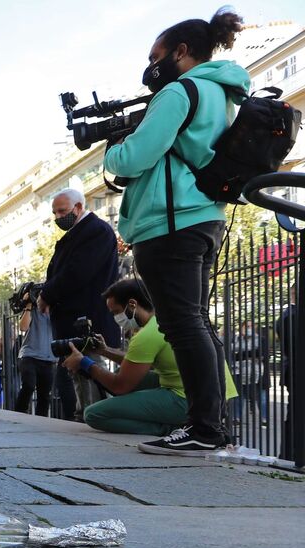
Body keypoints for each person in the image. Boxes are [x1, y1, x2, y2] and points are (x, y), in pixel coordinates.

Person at [103, 9, 249, 456]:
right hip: (202, 217)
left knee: (182, 324)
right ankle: (212, 425)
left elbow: (135, 159)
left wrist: (113, 152)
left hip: (170, 222)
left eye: (156, 56)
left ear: (181, 52)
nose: (152, 66)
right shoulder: (221, 93)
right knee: (195, 322)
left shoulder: (179, 91)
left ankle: (203, 428)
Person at [63, 279, 236, 436]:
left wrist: (84, 363)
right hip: (214, 395)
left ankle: (171, 428)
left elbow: (120, 386)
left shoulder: (146, 335)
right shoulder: (164, 320)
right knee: (122, 372)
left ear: (132, 304)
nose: (116, 319)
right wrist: (105, 351)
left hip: (189, 400)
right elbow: (138, 366)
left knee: (93, 414)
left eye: (116, 312)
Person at [39, 188, 121, 421]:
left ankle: (92, 416)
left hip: (85, 318)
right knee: (77, 374)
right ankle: (85, 414)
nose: (57, 217)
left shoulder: (95, 231)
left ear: (78, 207)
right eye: (54, 212)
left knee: (87, 370)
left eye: (62, 211)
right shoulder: (80, 233)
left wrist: (47, 294)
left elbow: (76, 273)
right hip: (74, 318)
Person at [16, 285, 58, 416]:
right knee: (28, 385)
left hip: (48, 359)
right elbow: (23, 327)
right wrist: (28, 305)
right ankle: (19, 414)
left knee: (44, 396)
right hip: (29, 356)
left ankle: (42, 422)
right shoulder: (33, 311)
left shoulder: (55, 314)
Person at [229, 319, 269, 427]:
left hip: (258, 373)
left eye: (251, 326)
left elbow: (263, 354)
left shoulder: (261, 340)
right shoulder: (235, 340)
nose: (248, 329)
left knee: (262, 397)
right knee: (238, 397)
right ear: (241, 327)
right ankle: (236, 418)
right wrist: (252, 355)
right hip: (238, 372)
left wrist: (241, 355)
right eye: (246, 326)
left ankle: (264, 418)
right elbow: (231, 355)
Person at [277, 284, 298, 460]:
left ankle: (290, 454)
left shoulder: (289, 314)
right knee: (296, 415)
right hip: (296, 370)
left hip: (294, 369)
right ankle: (290, 455)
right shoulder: (291, 315)